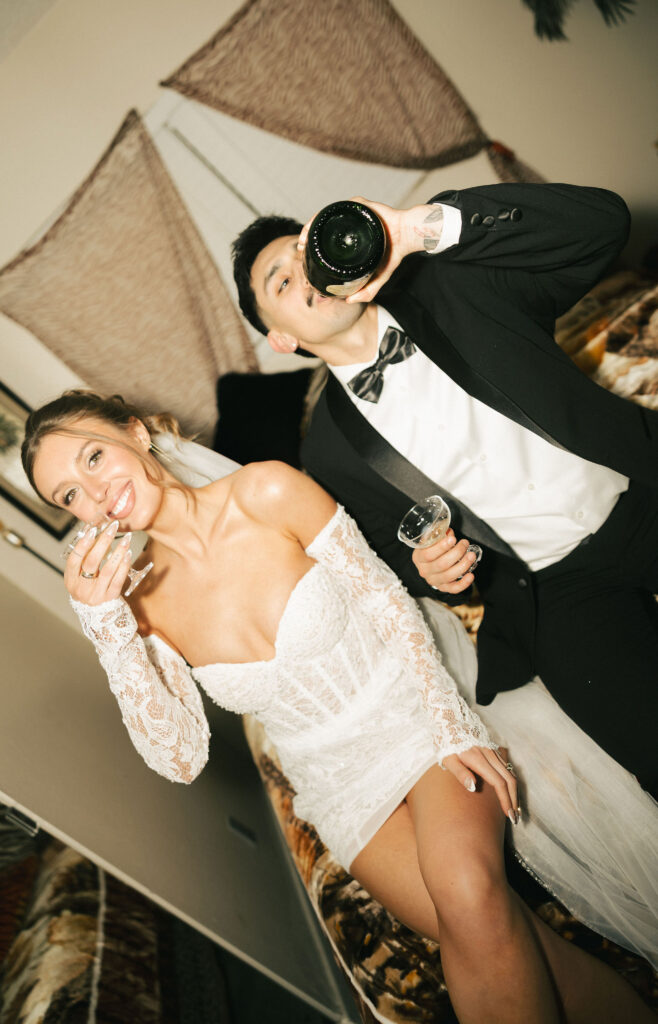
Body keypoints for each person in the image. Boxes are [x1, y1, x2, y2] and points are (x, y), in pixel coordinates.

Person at [22, 391, 654, 1024]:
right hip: (337, 787)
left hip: (413, 716)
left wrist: (451, 723)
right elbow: (181, 759)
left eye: (94, 457)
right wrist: (110, 637)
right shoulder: (138, 609)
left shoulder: (266, 491)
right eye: (69, 495)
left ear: (135, 433)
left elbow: (384, 598)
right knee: (508, 941)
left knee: (466, 892)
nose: (94, 492)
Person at [231, 182, 658, 796]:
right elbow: (388, 557)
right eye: (281, 281)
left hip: (639, 489)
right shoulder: (325, 452)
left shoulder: (453, 282)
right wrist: (432, 569)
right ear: (281, 339)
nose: (305, 271)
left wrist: (419, 229)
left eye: (306, 251)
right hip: (554, 590)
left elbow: (605, 225)